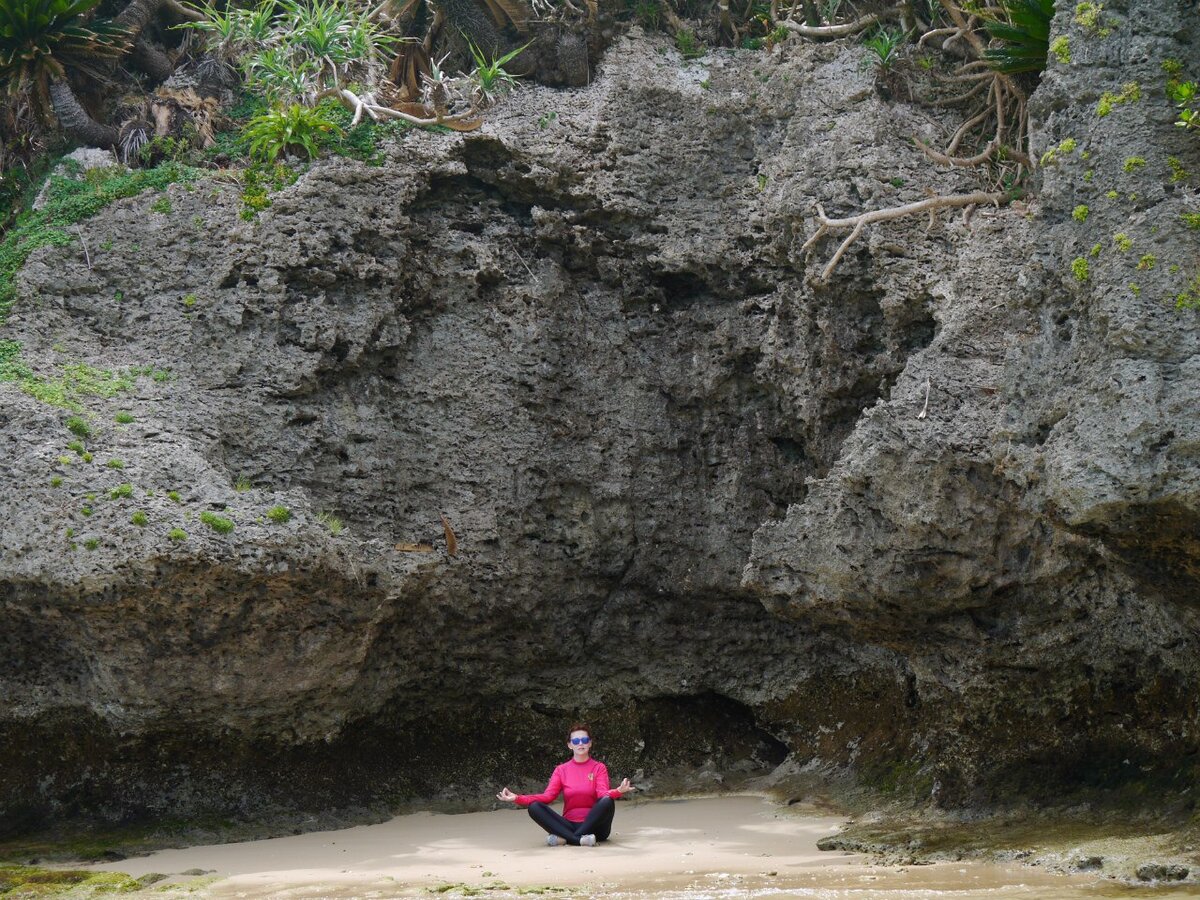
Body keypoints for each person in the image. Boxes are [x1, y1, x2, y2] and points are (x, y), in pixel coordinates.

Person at [496, 722, 635, 846]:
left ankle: (568, 839)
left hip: (595, 828)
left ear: (590, 743)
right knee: (534, 807)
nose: (581, 743)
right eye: (576, 740)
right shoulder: (561, 770)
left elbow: (602, 793)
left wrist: (618, 791)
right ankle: (579, 840)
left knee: (607, 801)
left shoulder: (599, 767)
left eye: (585, 740)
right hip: (568, 825)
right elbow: (547, 796)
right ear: (570, 745)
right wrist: (517, 798)